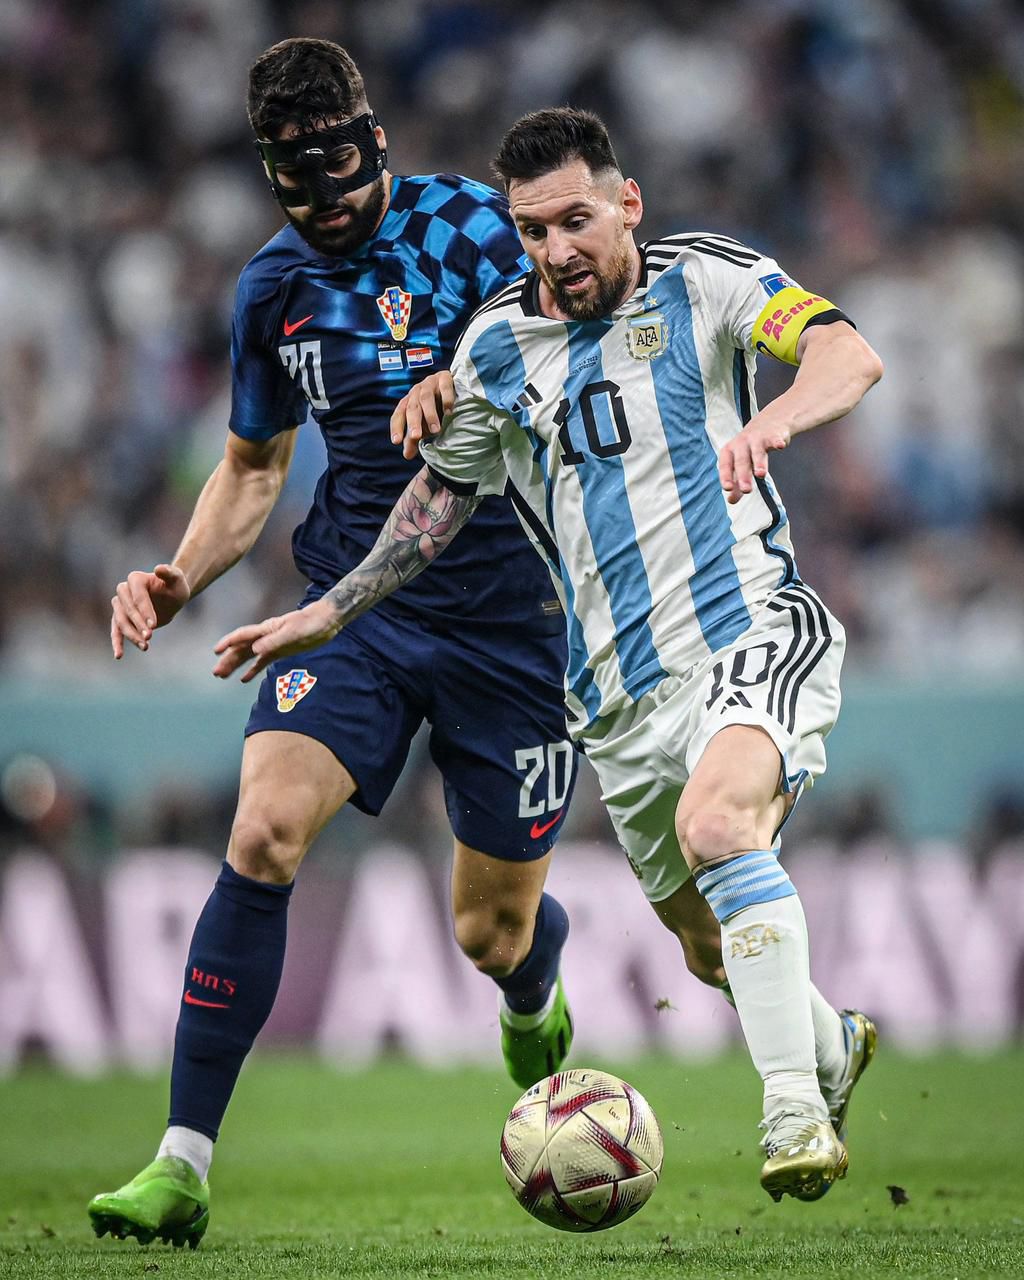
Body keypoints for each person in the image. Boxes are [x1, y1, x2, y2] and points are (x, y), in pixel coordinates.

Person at [212, 107, 885, 1207]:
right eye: (530, 232)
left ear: (626, 204)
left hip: (751, 629)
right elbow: (434, 504)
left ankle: (794, 1114)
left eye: (575, 220)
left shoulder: (705, 278)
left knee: (720, 824)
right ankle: (829, 1041)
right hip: (617, 701)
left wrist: (778, 424)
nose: (555, 252)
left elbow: (843, 352)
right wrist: (326, 613)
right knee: (711, 949)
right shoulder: (494, 349)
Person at [89, 43, 578, 1250]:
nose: (334, 200)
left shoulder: (478, 226)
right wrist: (180, 571)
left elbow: (580, 346)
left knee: (490, 929)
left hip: (514, 620)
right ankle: (181, 1163)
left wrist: (472, 385)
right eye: (303, 186)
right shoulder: (271, 289)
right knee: (260, 830)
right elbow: (253, 468)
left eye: (346, 168)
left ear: (374, 138)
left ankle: (531, 977)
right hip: (355, 606)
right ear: (272, 179)